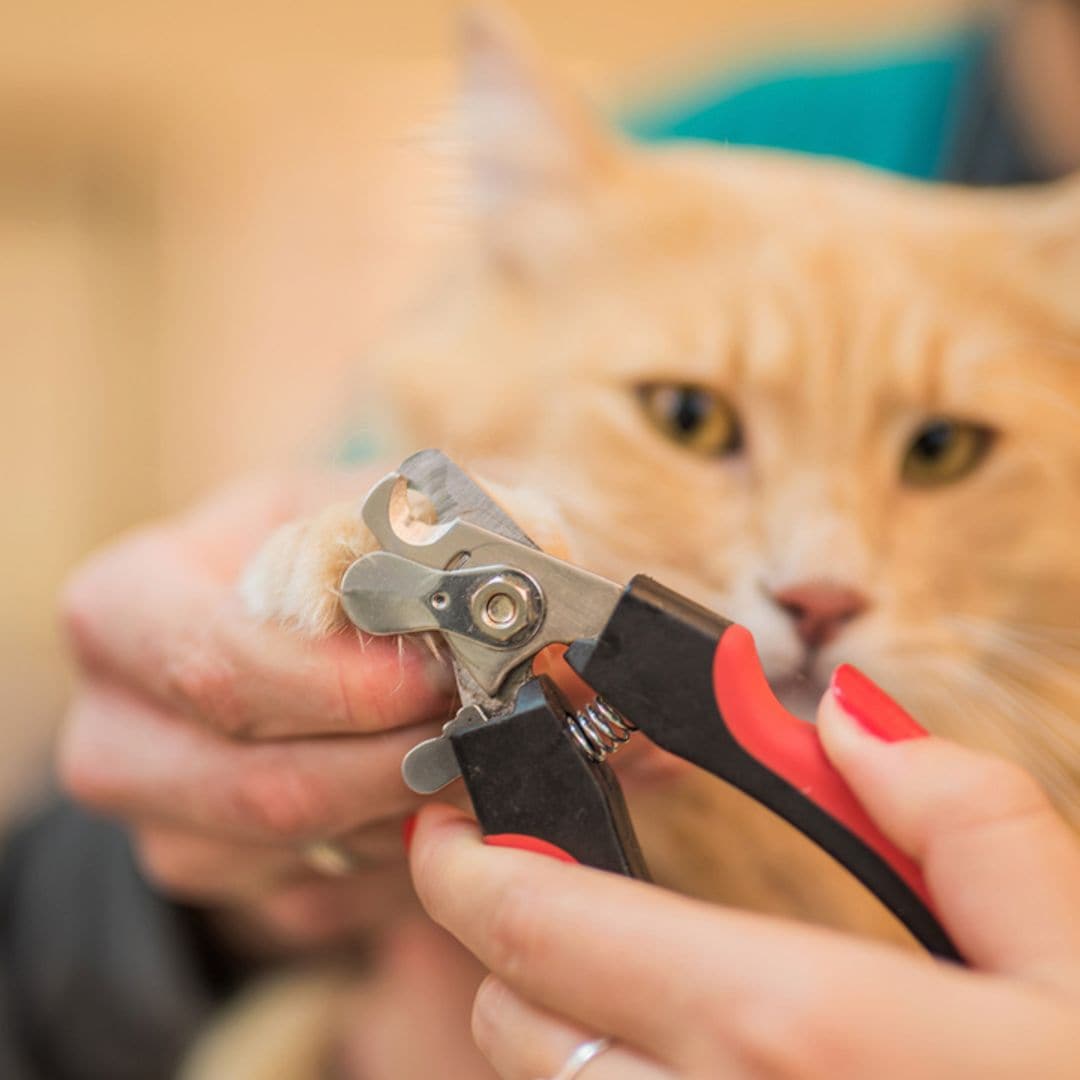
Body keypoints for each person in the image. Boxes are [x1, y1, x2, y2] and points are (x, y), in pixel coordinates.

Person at [3, 3, 1080, 1076]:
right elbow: (52, 930)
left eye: (939, 448)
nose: (821, 575)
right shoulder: (709, 140)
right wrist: (242, 861)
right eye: (691, 419)